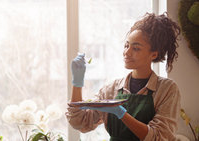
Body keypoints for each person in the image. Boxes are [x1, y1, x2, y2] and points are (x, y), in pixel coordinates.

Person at [66, 12, 182, 141]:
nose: (127, 52)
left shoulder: (166, 89)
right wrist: (77, 82)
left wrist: (121, 114)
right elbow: (79, 122)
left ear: (153, 54)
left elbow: (159, 137)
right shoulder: (111, 89)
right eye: (126, 45)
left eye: (136, 48)